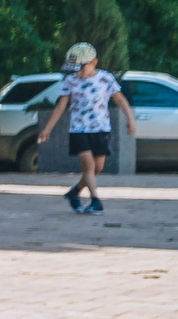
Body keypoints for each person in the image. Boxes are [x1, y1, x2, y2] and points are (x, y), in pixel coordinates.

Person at [37, 41, 131, 214]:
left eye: (81, 67)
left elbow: (120, 99)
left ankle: (75, 192)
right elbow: (61, 106)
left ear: (94, 62)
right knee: (88, 166)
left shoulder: (105, 78)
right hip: (79, 129)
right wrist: (48, 128)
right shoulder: (71, 81)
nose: (78, 72)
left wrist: (130, 119)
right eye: (75, 68)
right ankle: (96, 201)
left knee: (98, 168)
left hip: (101, 128)